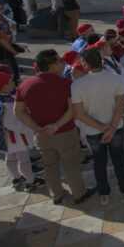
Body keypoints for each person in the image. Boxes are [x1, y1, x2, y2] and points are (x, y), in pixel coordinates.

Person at [15, 49, 94, 205]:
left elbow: (18, 111)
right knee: (71, 164)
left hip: (42, 136)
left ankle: (56, 195)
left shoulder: (25, 85)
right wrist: (57, 125)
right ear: (51, 65)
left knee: (49, 166)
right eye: (59, 61)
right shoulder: (66, 84)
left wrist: (37, 128)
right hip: (65, 133)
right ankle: (79, 194)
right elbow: (73, 110)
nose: (62, 63)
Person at [72, 47, 124, 206]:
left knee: (99, 163)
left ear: (85, 64)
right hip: (116, 128)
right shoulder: (116, 79)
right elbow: (120, 106)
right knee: (119, 161)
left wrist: (103, 128)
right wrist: (111, 128)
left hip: (93, 131)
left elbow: (80, 114)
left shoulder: (77, 85)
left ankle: (104, 194)